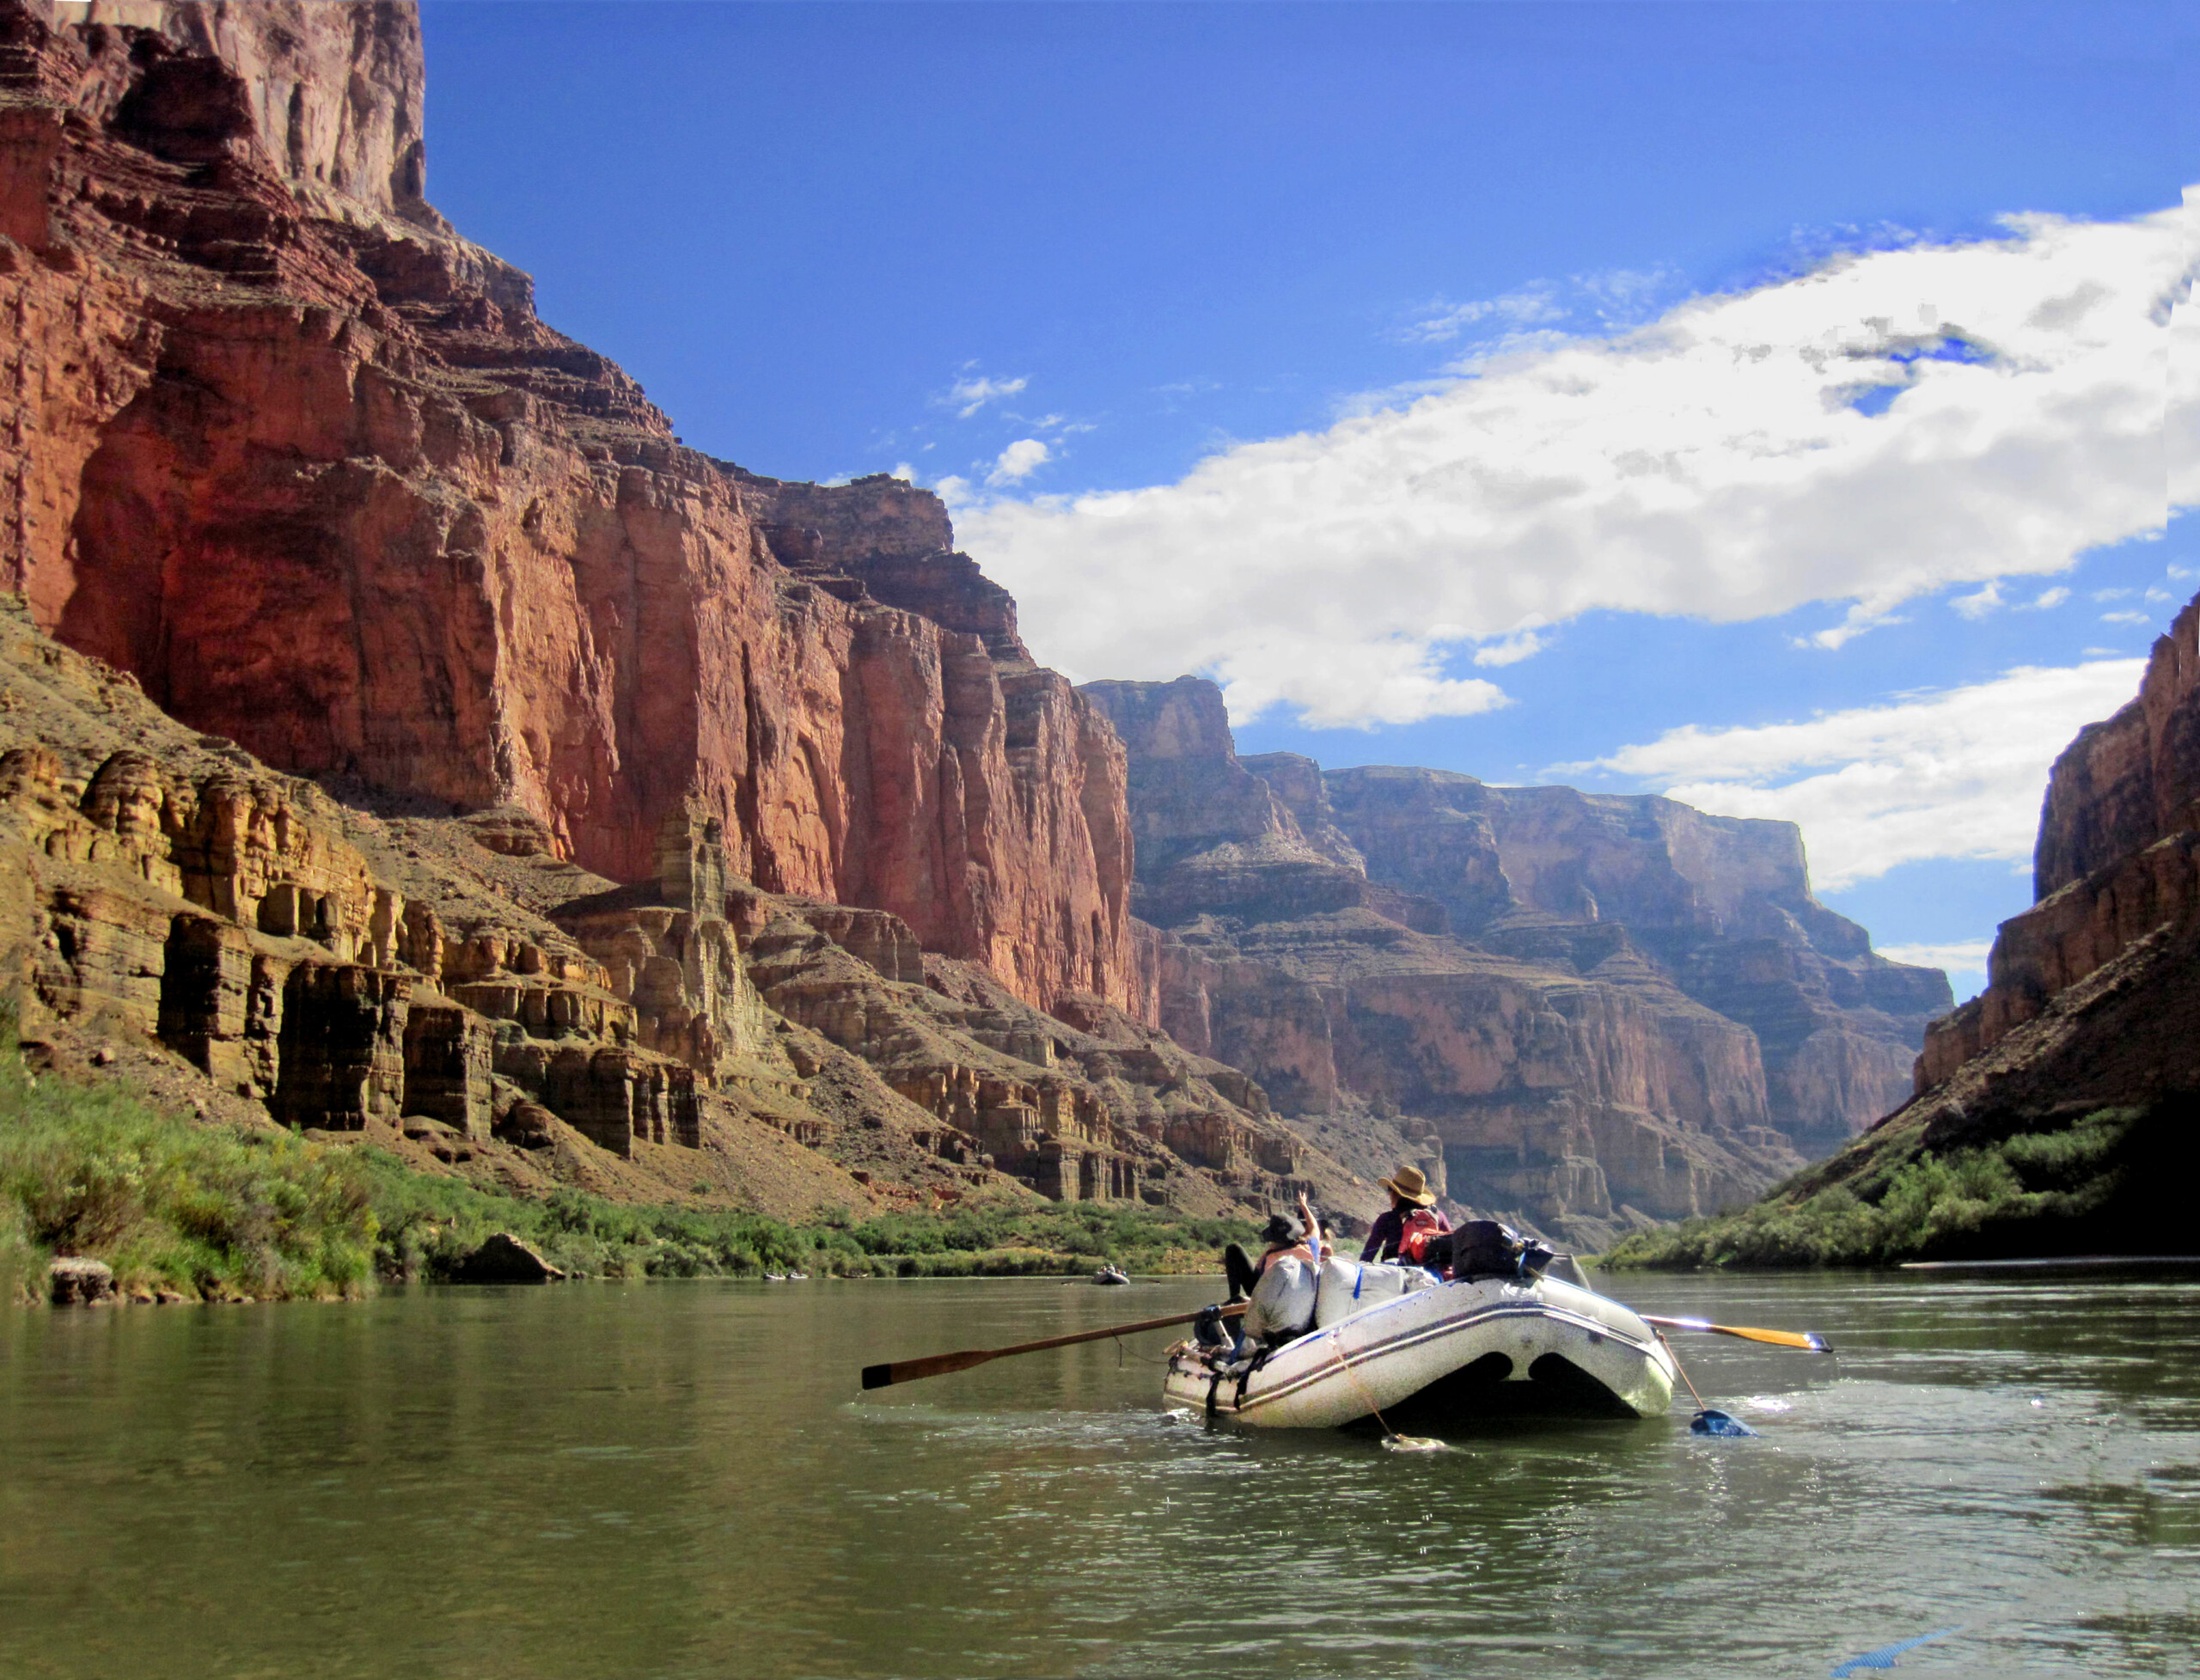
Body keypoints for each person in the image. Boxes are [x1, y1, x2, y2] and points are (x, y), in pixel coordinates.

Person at [1360, 1165, 1450, 1265]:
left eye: (1390, 1190)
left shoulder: (1387, 1219)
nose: (1389, 1194)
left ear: (1395, 1193)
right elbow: (1452, 1245)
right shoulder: (1438, 1216)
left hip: (1395, 1274)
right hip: (1429, 1276)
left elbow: (1367, 1257)